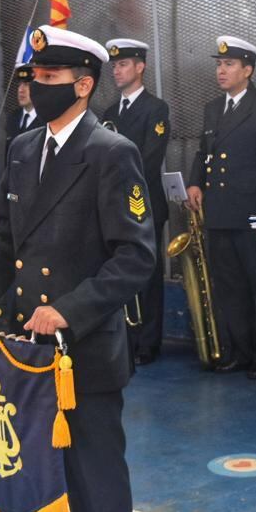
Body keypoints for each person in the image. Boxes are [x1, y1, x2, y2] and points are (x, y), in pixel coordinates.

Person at [0, 25, 156, 512]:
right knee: (49, 481)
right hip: (28, 353)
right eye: (33, 77)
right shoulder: (20, 150)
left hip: (81, 352)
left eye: (49, 77)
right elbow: (2, 239)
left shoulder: (112, 153)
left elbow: (135, 257)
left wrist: (68, 308)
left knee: (95, 483)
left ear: (83, 86)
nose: (36, 87)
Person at [185, 37, 256, 379]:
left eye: (229, 64)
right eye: (219, 64)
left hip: (255, 217)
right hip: (220, 215)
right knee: (230, 288)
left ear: (248, 70)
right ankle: (239, 352)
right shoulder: (213, 109)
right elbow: (205, 152)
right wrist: (194, 182)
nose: (221, 70)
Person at [101, 38, 170, 365]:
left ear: (140, 67)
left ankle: (148, 343)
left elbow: (149, 160)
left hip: (144, 206)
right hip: (114, 208)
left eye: (123, 64)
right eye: (114, 65)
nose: (116, 70)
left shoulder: (156, 110)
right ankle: (126, 338)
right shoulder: (109, 113)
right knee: (120, 273)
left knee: (148, 275)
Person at [5, 62, 46, 153]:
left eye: (27, 84)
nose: (21, 90)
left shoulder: (47, 119)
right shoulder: (12, 117)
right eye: (19, 84)